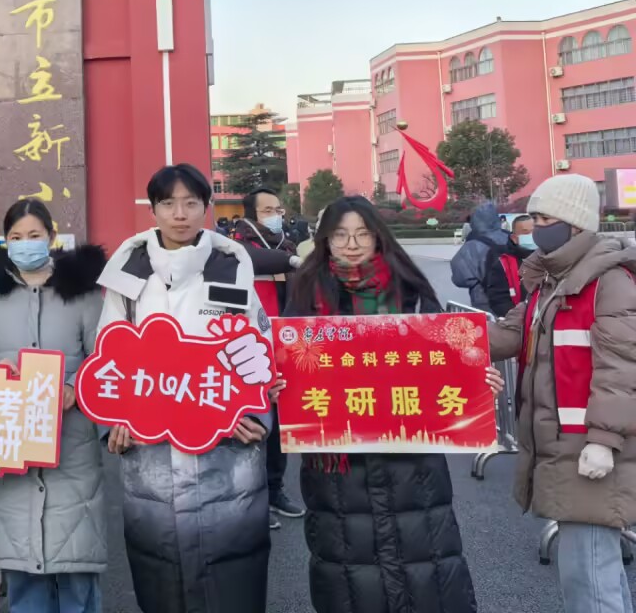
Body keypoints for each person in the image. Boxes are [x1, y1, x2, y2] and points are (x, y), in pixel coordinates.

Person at [285, 196, 494, 613]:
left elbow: (448, 363)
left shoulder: (410, 289)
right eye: (340, 235)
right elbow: (289, 368)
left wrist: (478, 379)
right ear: (324, 240)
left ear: (379, 237)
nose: (351, 245)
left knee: (428, 568)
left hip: (413, 463)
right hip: (338, 470)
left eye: (362, 234)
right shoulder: (306, 293)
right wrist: (280, 387)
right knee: (350, 576)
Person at [97, 163, 274, 613]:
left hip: (226, 449)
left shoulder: (229, 264)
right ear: (153, 210)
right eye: (168, 203)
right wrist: (113, 421)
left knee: (232, 573)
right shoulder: (129, 270)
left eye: (191, 203)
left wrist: (254, 413)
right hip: (151, 451)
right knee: (160, 572)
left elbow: (258, 347)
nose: (180, 214)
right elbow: (108, 352)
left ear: (206, 207)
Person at [487, 175, 636, 613]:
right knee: (594, 572)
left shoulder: (608, 282)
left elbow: (620, 369)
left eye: (544, 219)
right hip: (565, 447)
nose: (535, 228)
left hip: (590, 448)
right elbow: (508, 334)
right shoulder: (552, 281)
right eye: (533, 218)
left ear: (575, 222)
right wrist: (438, 338)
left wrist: (603, 441)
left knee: (588, 575)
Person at [0, 199, 108, 613]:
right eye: (16, 237)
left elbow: (106, 361)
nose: (25, 243)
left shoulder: (83, 294)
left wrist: (75, 388)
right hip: (12, 452)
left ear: (51, 236)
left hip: (72, 451)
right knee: (25, 583)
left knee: (77, 578)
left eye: (34, 235)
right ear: (5, 241)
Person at [231, 188, 304, 523]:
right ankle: (254, 497)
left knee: (281, 423)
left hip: (284, 346)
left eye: (278, 210)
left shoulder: (286, 243)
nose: (276, 216)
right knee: (253, 422)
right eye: (268, 211)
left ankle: (275, 490)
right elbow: (249, 259)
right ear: (251, 215)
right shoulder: (235, 245)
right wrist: (292, 261)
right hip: (249, 349)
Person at [450, 201, 509, 311]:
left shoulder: (472, 246)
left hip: (485, 302)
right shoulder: (511, 237)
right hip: (516, 299)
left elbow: (460, 279)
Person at [480, 213, 534, 317]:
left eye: (534, 232)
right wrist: (519, 318)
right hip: (520, 320)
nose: (531, 236)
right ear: (514, 238)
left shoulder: (550, 257)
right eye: (526, 233)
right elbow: (499, 300)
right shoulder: (503, 264)